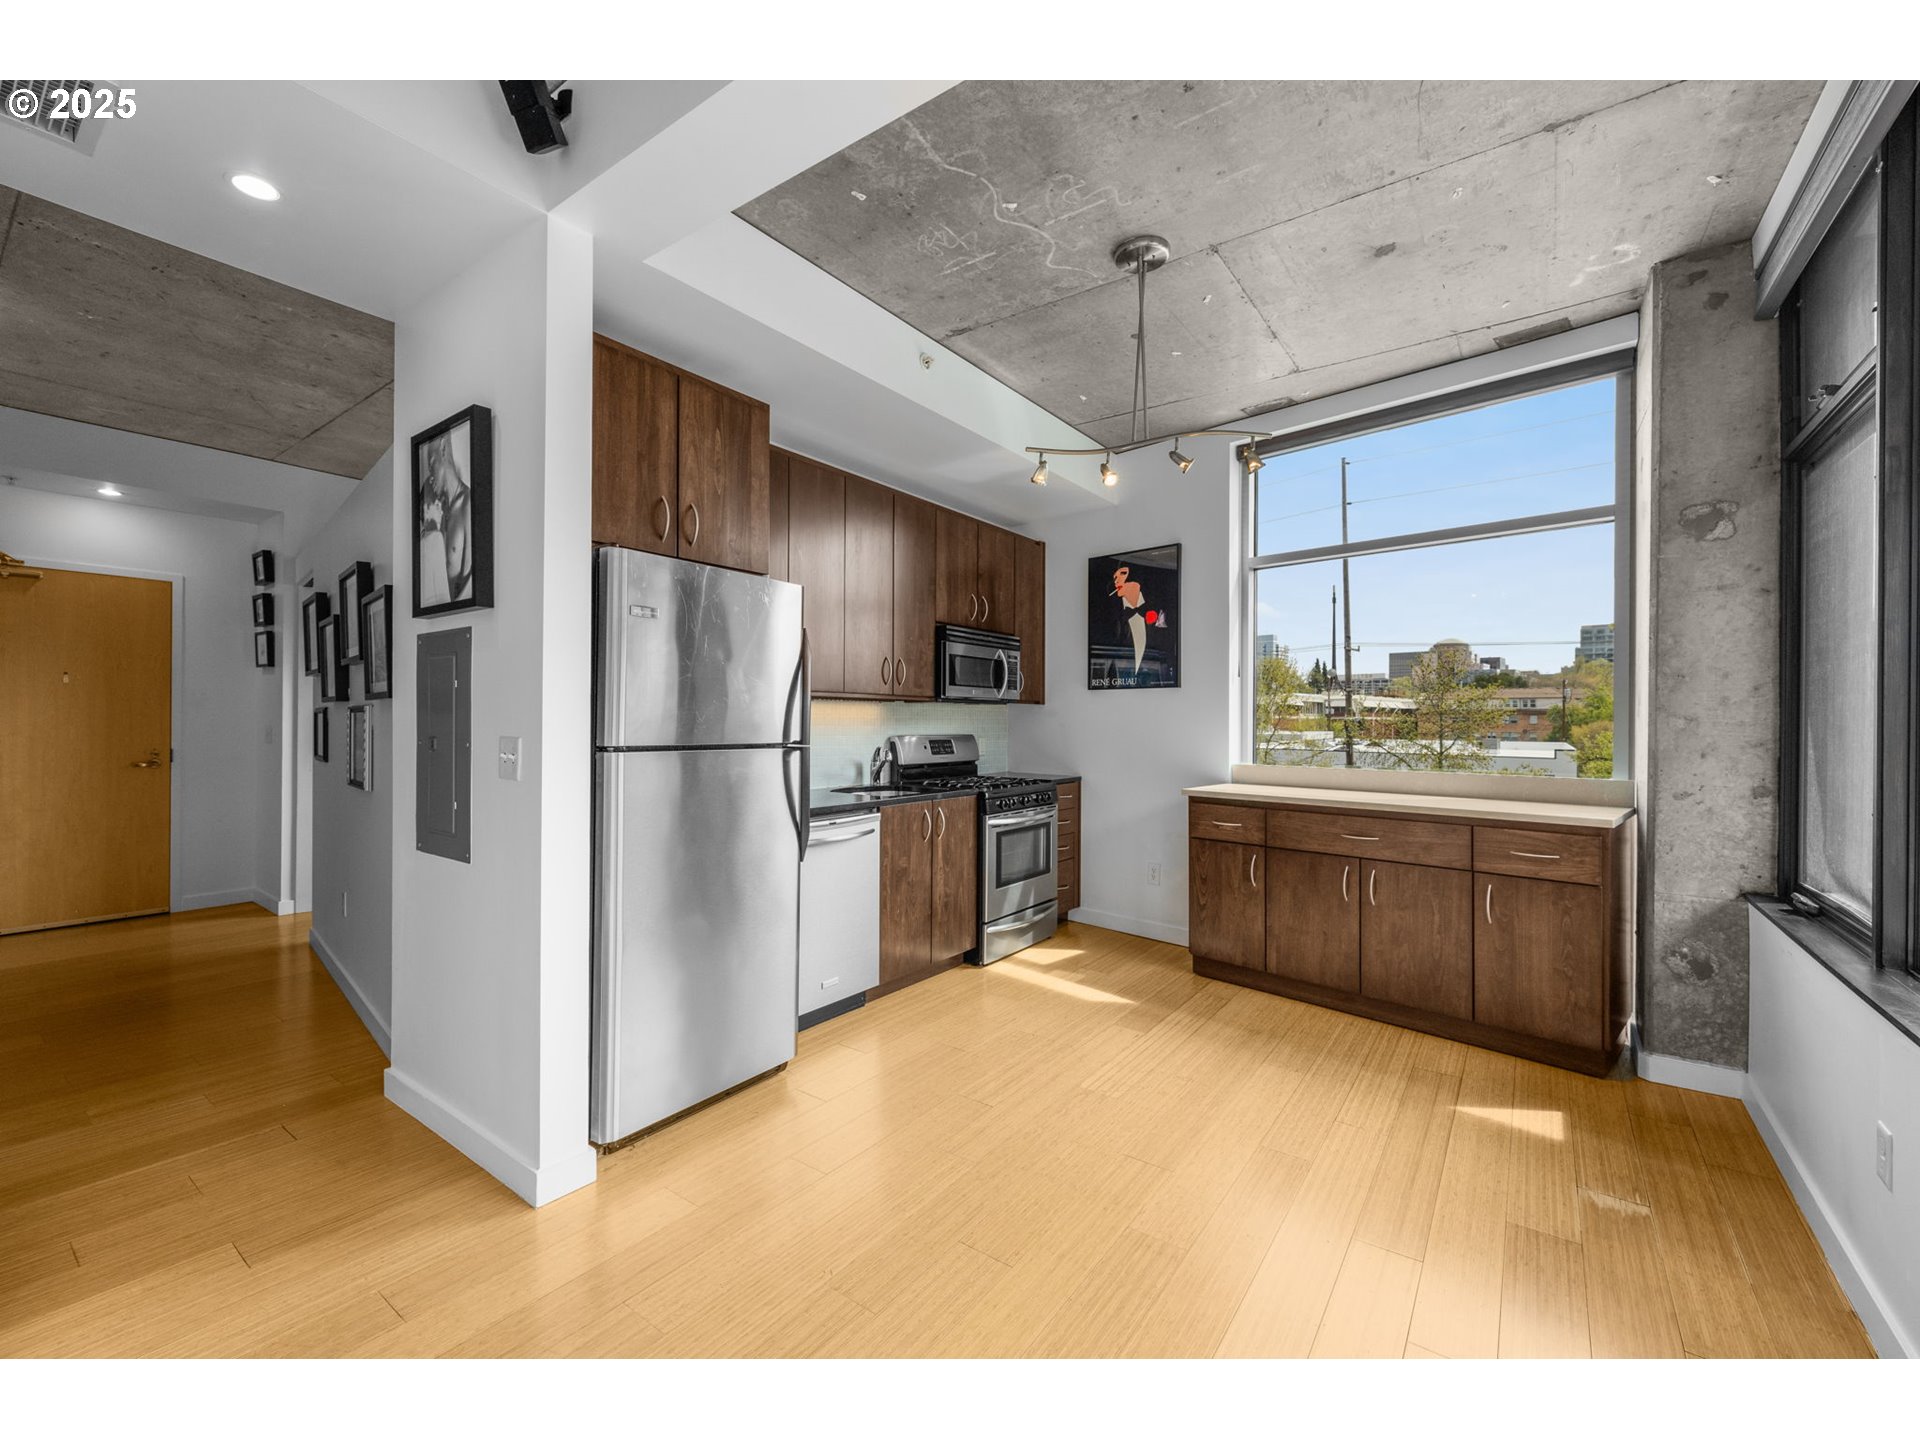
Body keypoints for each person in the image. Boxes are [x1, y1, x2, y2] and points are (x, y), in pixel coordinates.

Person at [418, 429, 472, 607]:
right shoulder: (437, 514)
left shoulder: (468, 505)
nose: (430, 477)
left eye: (432, 464)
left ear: (443, 448)